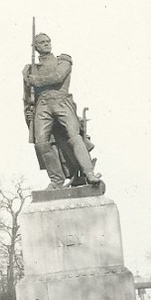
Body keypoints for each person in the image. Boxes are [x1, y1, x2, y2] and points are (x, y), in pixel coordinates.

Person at [23, 33, 102, 189]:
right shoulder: (29, 69)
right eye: (42, 42)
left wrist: (35, 80)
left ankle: (88, 173)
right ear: (36, 47)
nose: (46, 44)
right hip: (42, 105)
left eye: (48, 41)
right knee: (41, 143)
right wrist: (28, 113)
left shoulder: (63, 60)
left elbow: (57, 78)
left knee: (74, 136)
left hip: (62, 102)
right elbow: (26, 96)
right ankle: (56, 180)